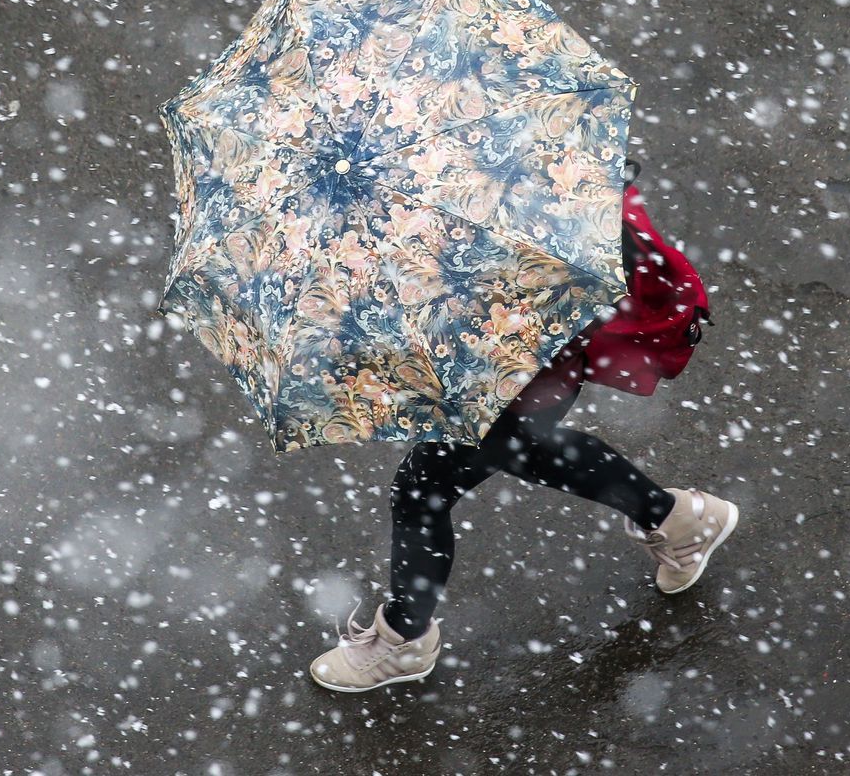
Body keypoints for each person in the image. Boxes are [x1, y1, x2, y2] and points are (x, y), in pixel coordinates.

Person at [309, 173, 739, 693]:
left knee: (423, 490)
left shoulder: (507, 193)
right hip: (520, 347)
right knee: (523, 448)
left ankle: (403, 641)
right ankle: (678, 520)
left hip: (514, 354)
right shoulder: (474, 152)